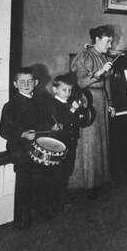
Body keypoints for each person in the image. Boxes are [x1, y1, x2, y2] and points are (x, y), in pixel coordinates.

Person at [0, 67, 57, 228]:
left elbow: (45, 121)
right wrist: (23, 134)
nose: (26, 84)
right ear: (15, 84)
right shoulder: (10, 105)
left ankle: (40, 210)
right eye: (22, 82)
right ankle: (22, 219)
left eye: (30, 81)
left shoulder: (40, 101)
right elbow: (4, 130)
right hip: (19, 148)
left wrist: (52, 126)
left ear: (36, 83)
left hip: (37, 146)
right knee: (24, 182)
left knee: (41, 178)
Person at [69, 25, 116, 200]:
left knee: (101, 141)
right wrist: (99, 72)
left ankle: (98, 180)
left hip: (102, 99)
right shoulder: (84, 56)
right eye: (107, 41)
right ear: (96, 39)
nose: (110, 45)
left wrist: (110, 103)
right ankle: (88, 184)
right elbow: (80, 83)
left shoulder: (103, 57)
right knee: (90, 143)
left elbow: (108, 83)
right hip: (89, 100)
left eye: (111, 41)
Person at [49, 73, 91, 210]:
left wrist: (81, 111)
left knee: (67, 170)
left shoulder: (68, 104)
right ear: (55, 90)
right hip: (59, 144)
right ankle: (55, 200)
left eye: (70, 90)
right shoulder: (53, 105)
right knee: (58, 172)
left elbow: (79, 122)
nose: (68, 93)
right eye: (64, 90)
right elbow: (61, 121)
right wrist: (73, 110)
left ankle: (60, 197)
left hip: (71, 142)